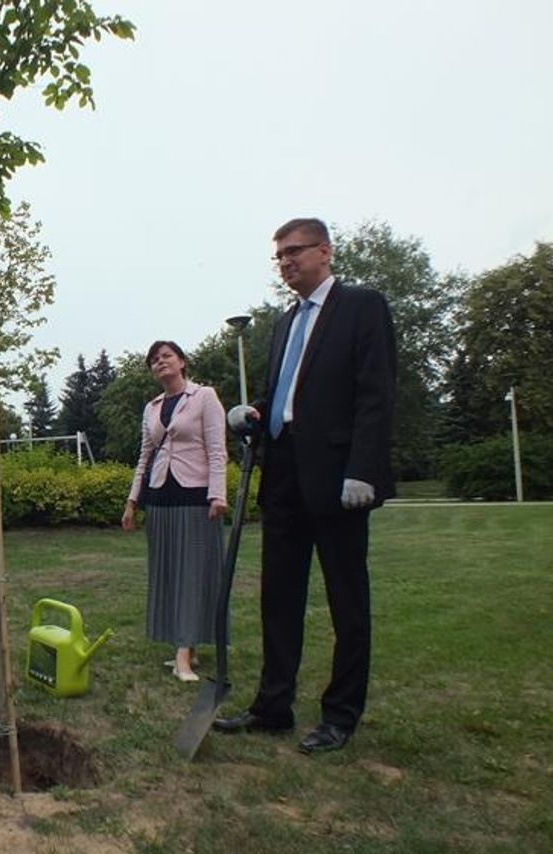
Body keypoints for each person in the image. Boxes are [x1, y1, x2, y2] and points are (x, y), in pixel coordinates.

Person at [214, 217, 396, 754]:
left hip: (339, 478)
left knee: (347, 599)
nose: (286, 262)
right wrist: (254, 413)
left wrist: (362, 469)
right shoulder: (286, 321)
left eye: (295, 252)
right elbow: (288, 399)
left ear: (325, 251)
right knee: (279, 595)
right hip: (285, 473)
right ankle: (273, 707)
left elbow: (376, 393)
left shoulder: (362, 306)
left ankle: (340, 715)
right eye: (279, 256)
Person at [121, 340, 228, 683]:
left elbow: (217, 450)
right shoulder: (152, 408)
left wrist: (218, 495)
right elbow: (144, 456)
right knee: (169, 574)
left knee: (193, 574)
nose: (159, 362)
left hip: (195, 496)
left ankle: (183, 654)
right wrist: (132, 500)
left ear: (182, 362)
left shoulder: (204, 397)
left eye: (166, 356)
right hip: (160, 498)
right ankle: (187, 647)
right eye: (154, 360)